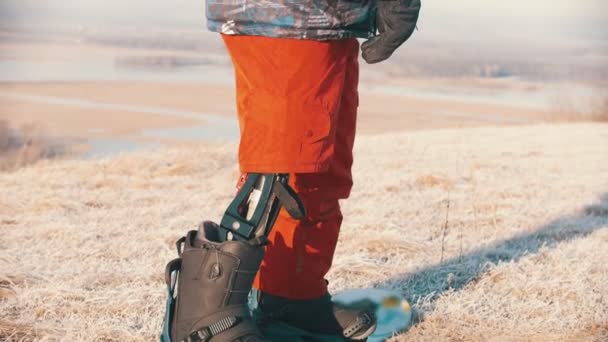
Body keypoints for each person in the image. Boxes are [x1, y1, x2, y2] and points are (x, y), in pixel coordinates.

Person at [163, 1, 421, 341]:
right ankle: (205, 323)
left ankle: (293, 302)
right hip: (289, 16)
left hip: (328, 19)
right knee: (283, 163)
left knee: (318, 170)